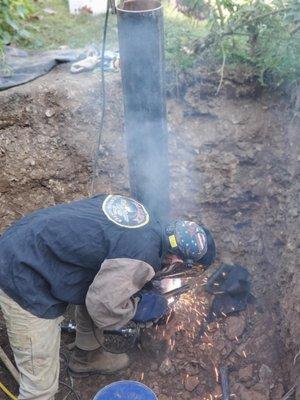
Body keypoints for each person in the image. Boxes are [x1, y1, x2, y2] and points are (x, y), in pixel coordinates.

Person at [0, 194, 215, 400]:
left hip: (23, 240)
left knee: (98, 287)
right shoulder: (142, 255)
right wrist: (136, 308)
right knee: (41, 388)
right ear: (177, 259)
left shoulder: (144, 217)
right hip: (22, 276)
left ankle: (87, 357)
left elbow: (103, 267)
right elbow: (102, 307)